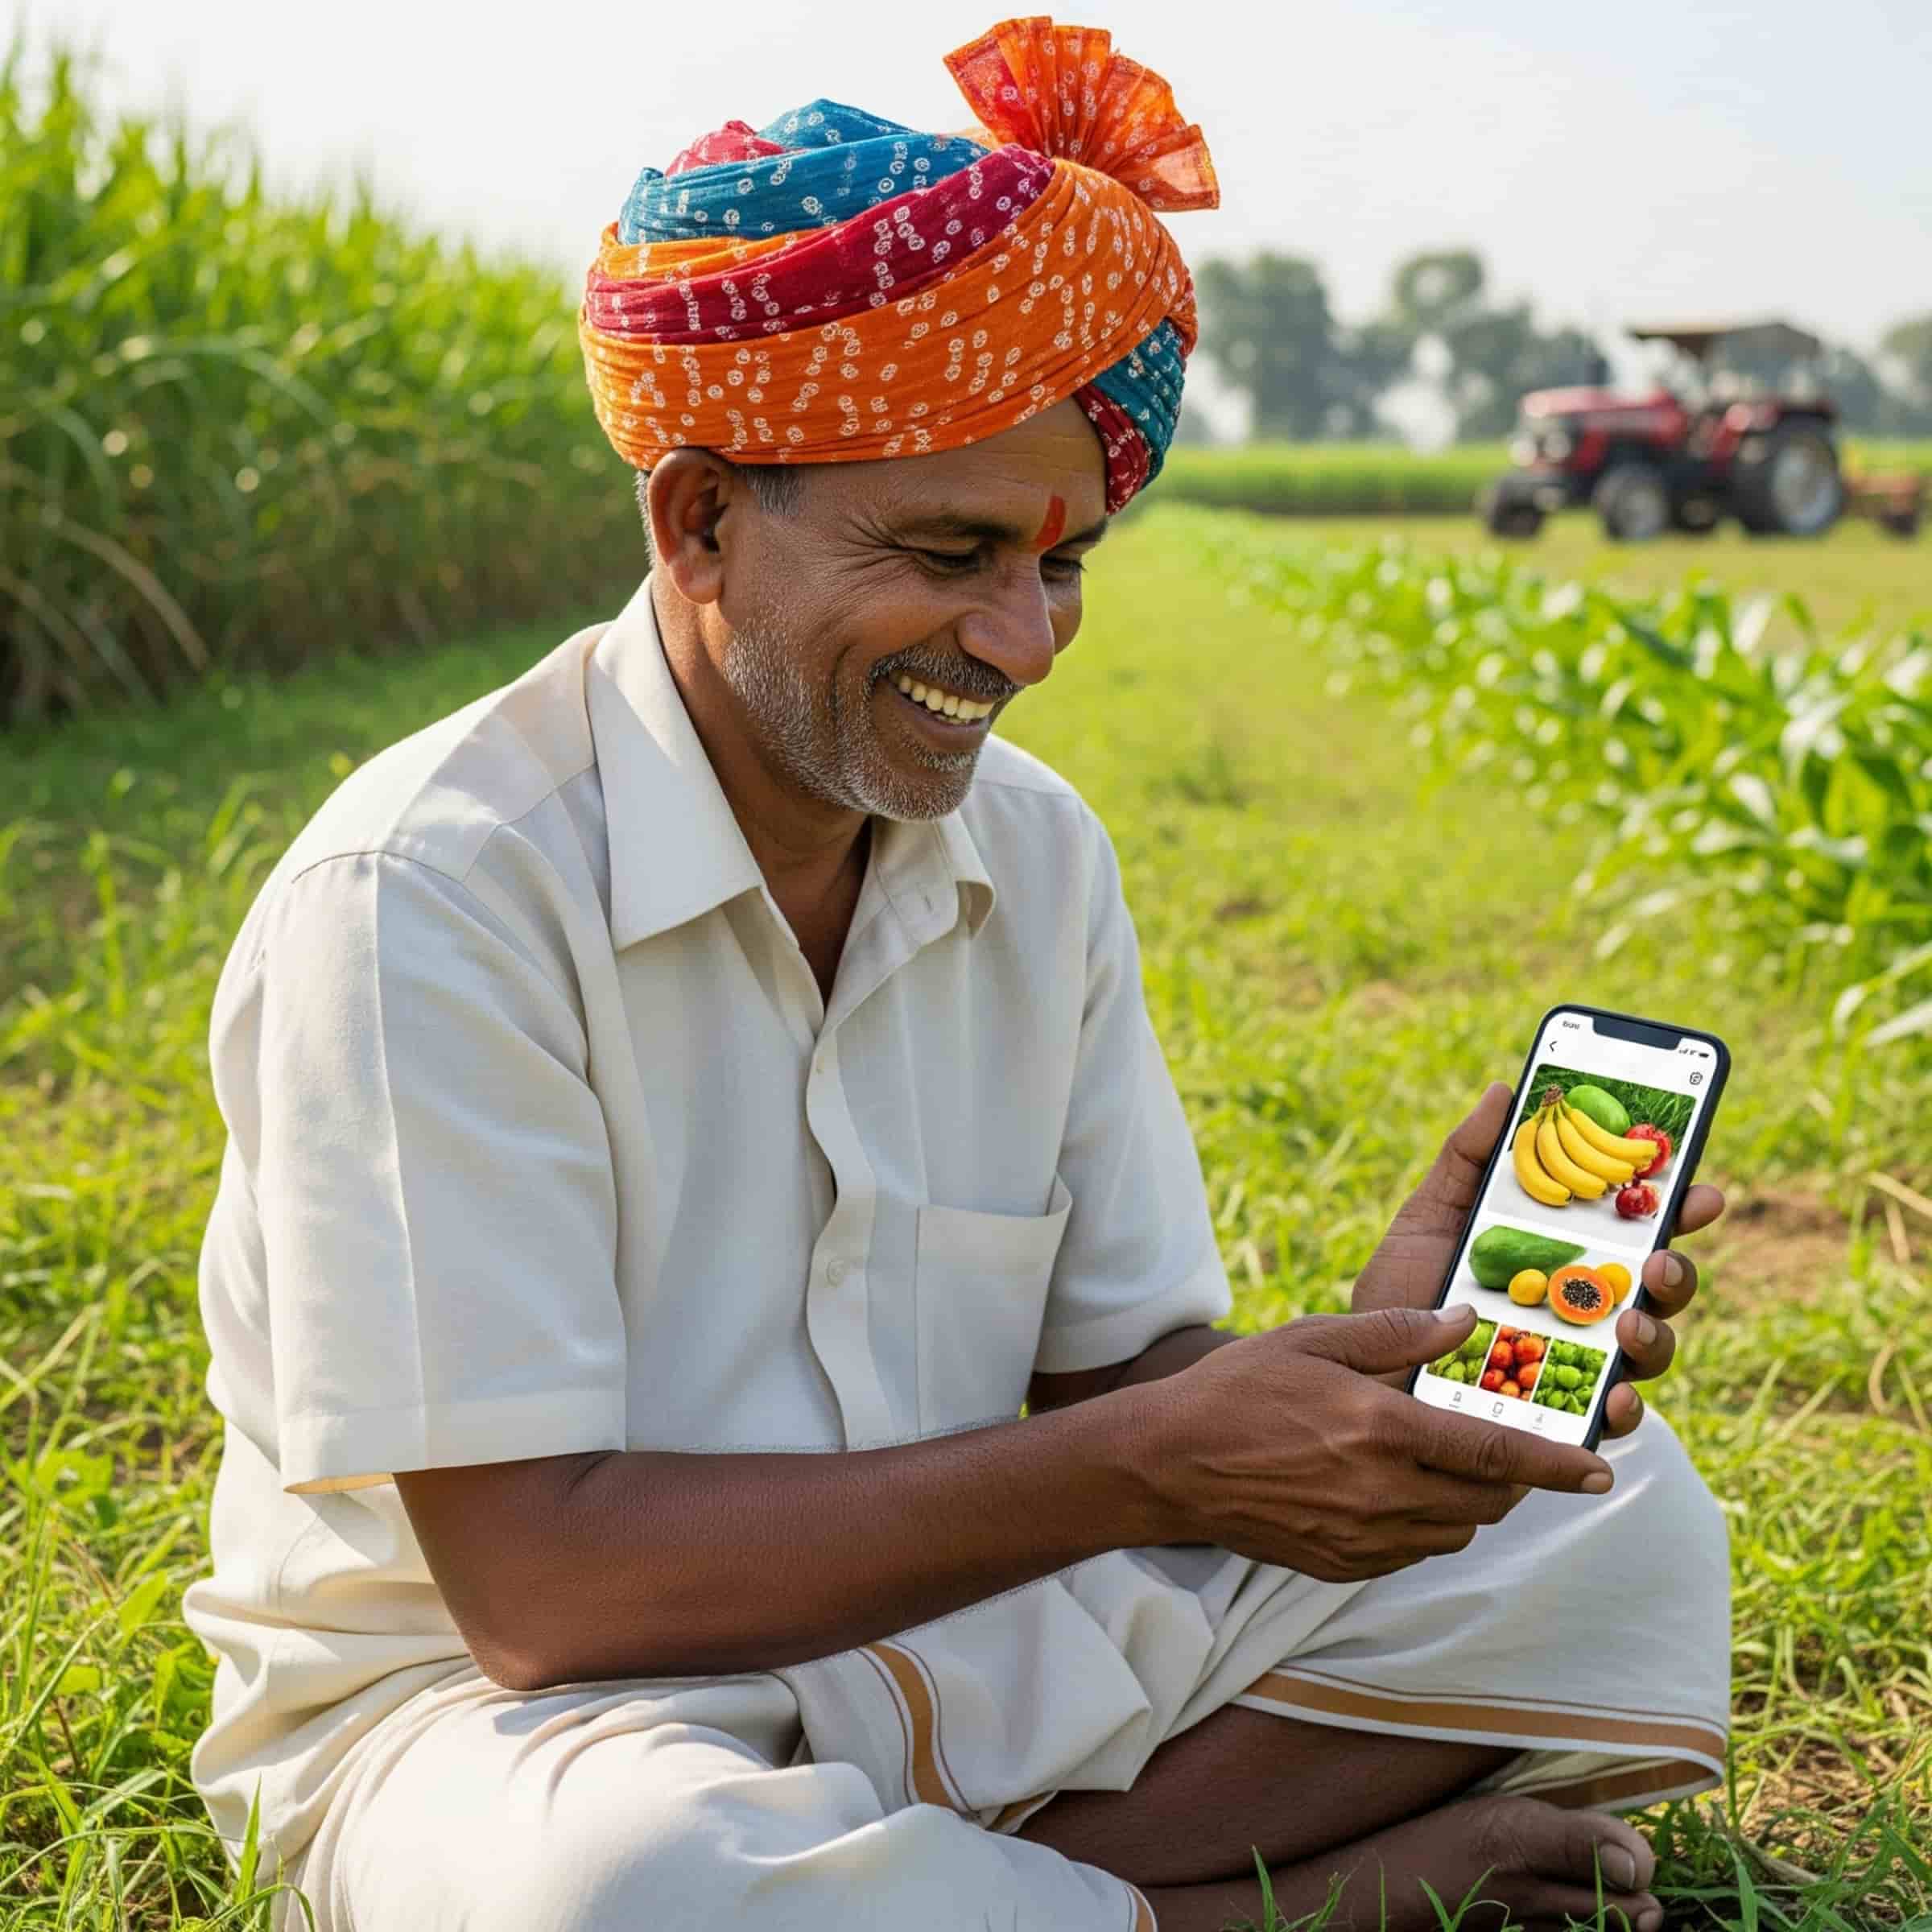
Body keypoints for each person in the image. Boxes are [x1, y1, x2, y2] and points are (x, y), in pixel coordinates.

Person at [184, 19, 1730, 1930]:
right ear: (702, 522)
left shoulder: (1038, 853)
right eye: (952, 550)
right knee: (620, 1891)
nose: (1025, 638)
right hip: (522, 1722)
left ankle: (987, 1891)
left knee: (1624, 1522)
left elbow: (1119, 1382)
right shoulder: (427, 896)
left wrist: (1364, 1364)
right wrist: (1151, 1459)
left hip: (966, 1626)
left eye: (1069, 561)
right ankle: (1230, 1909)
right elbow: (540, 1592)